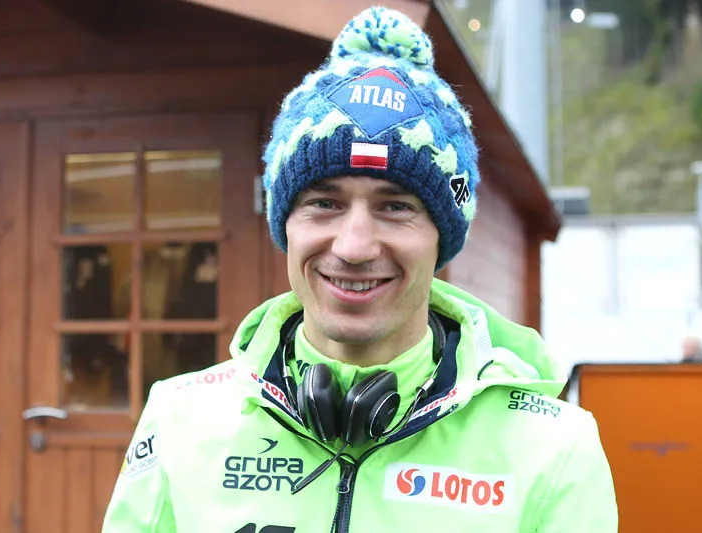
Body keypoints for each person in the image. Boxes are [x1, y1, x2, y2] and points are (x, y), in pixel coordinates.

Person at [102, 7, 618, 532]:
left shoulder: (554, 450)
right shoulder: (177, 422)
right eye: (324, 203)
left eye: (395, 207)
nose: (353, 246)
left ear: (443, 238)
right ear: (285, 225)